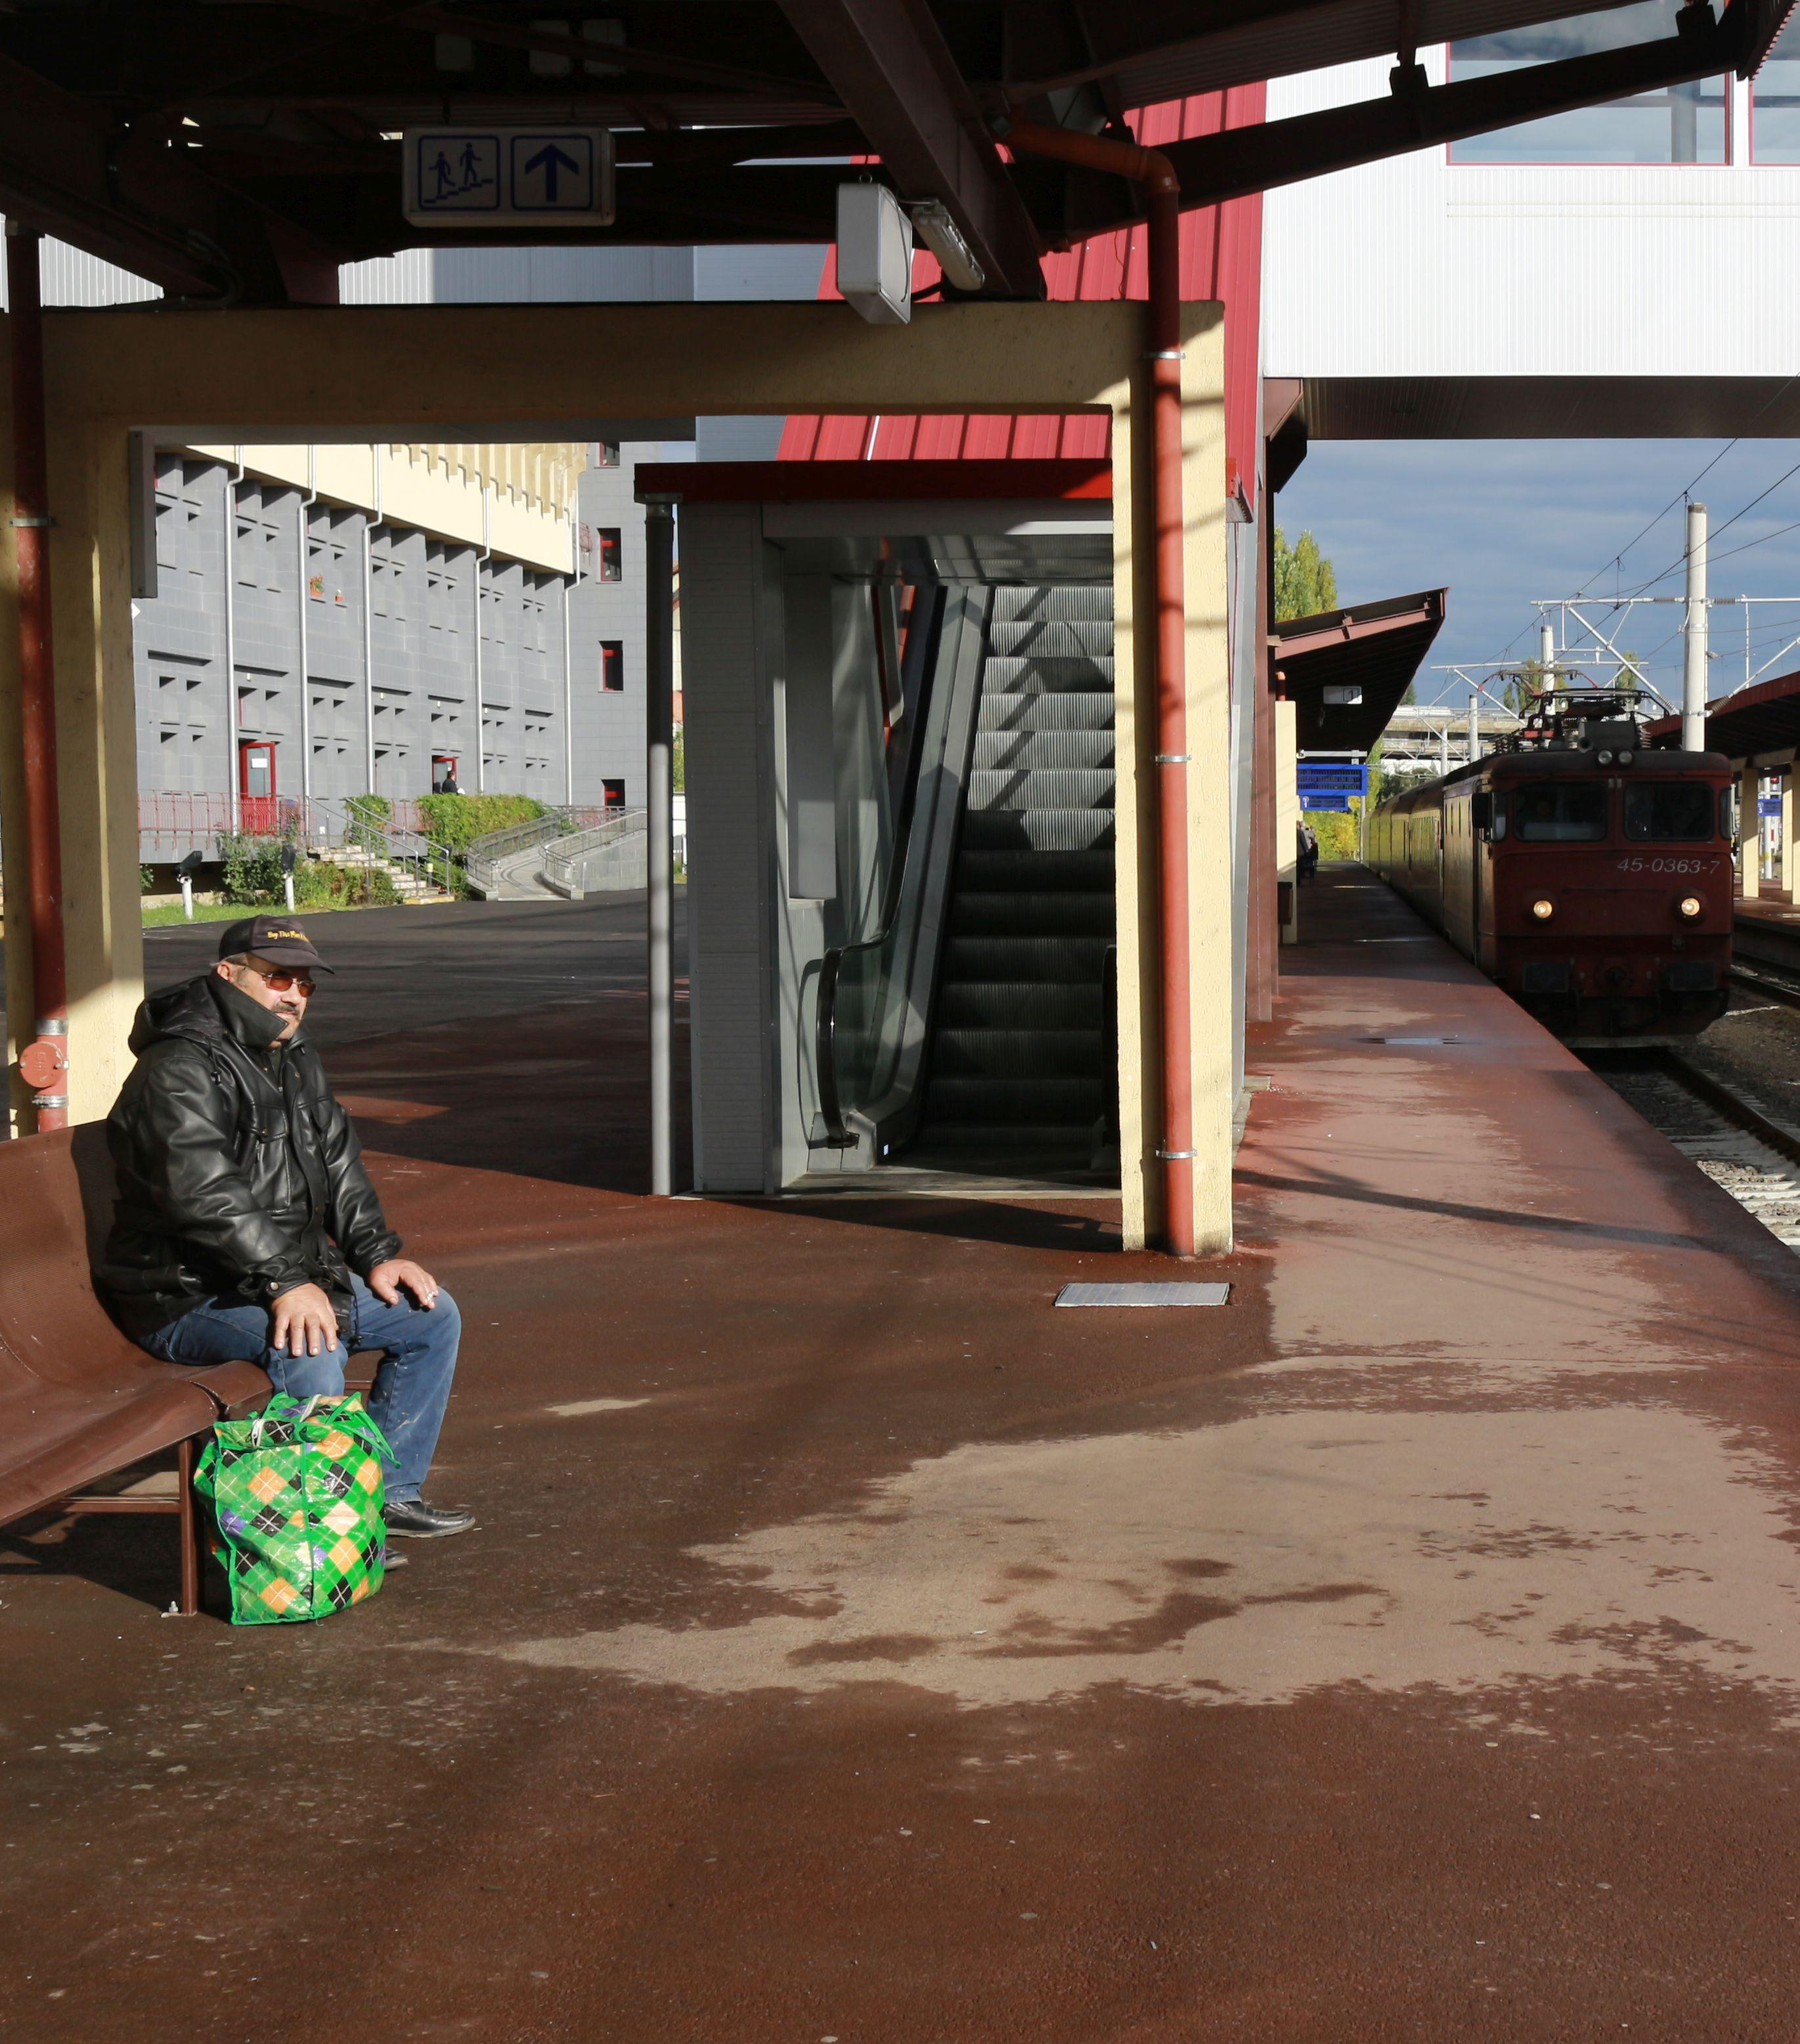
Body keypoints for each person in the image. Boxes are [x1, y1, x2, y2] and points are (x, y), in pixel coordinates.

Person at [97, 915, 473, 1542]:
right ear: (228, 974)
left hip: (265, 1281)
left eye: (304, 983)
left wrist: (377, 1254)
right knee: (309, 1342)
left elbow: (338, 1161)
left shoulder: (291, 1055)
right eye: (276, 978)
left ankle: (385, 1492)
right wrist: (283, 1284)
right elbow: (203, 1193)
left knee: (430, 1314)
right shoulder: (180, 1066)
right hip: (180, 1293)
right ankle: (313, 1533)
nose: (293, 995)